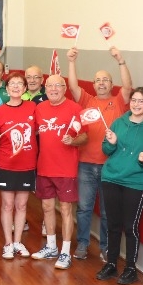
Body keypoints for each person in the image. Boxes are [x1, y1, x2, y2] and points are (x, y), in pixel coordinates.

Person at [67, 46, 133, 260]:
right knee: (84, 208)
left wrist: (120, 60)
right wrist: (72, 61)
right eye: (98, 80)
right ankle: (83, 244)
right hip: (86, 164)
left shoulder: (119, 102)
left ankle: (106, 247)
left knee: (107, 212)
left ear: (111, 84)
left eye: (105, 80)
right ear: (93, 84)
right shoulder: (87, 100)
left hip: (110, 166)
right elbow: (73, 86)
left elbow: (128, 86)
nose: (101, 83)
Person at [97, 87, 143, 285]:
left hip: (136, 183)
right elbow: (106, 149)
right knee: (112, 224)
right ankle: (111, 263)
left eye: (141, 101)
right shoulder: (119, 123)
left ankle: (130, 268)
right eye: (134, 100)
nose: (136, 104)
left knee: (130, 226)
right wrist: (111, 143)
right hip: (111, 178)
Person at [30, 75, 86, 270]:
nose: (53, 89)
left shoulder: (75, 108)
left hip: (66, 169)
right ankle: (52, 247)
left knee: (65, 209)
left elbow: (85, 136)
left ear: (64, 88)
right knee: (47, 207)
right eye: (50, 86)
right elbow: (33, 131)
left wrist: (74, 141)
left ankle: (65, 252)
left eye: (57, 85)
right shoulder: (40, 108)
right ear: (45, 88)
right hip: (44, 166)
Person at [0, 72, 38, 259]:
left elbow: (40, 130)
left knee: (22, 205)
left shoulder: (33, 107)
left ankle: (18, 242)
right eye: (12, 83)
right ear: (7, 88)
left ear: (25, 88)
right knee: (8, 205)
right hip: (5, 164)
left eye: (20, 84)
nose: (16, 86)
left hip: (27, 164)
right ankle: (8, 244)